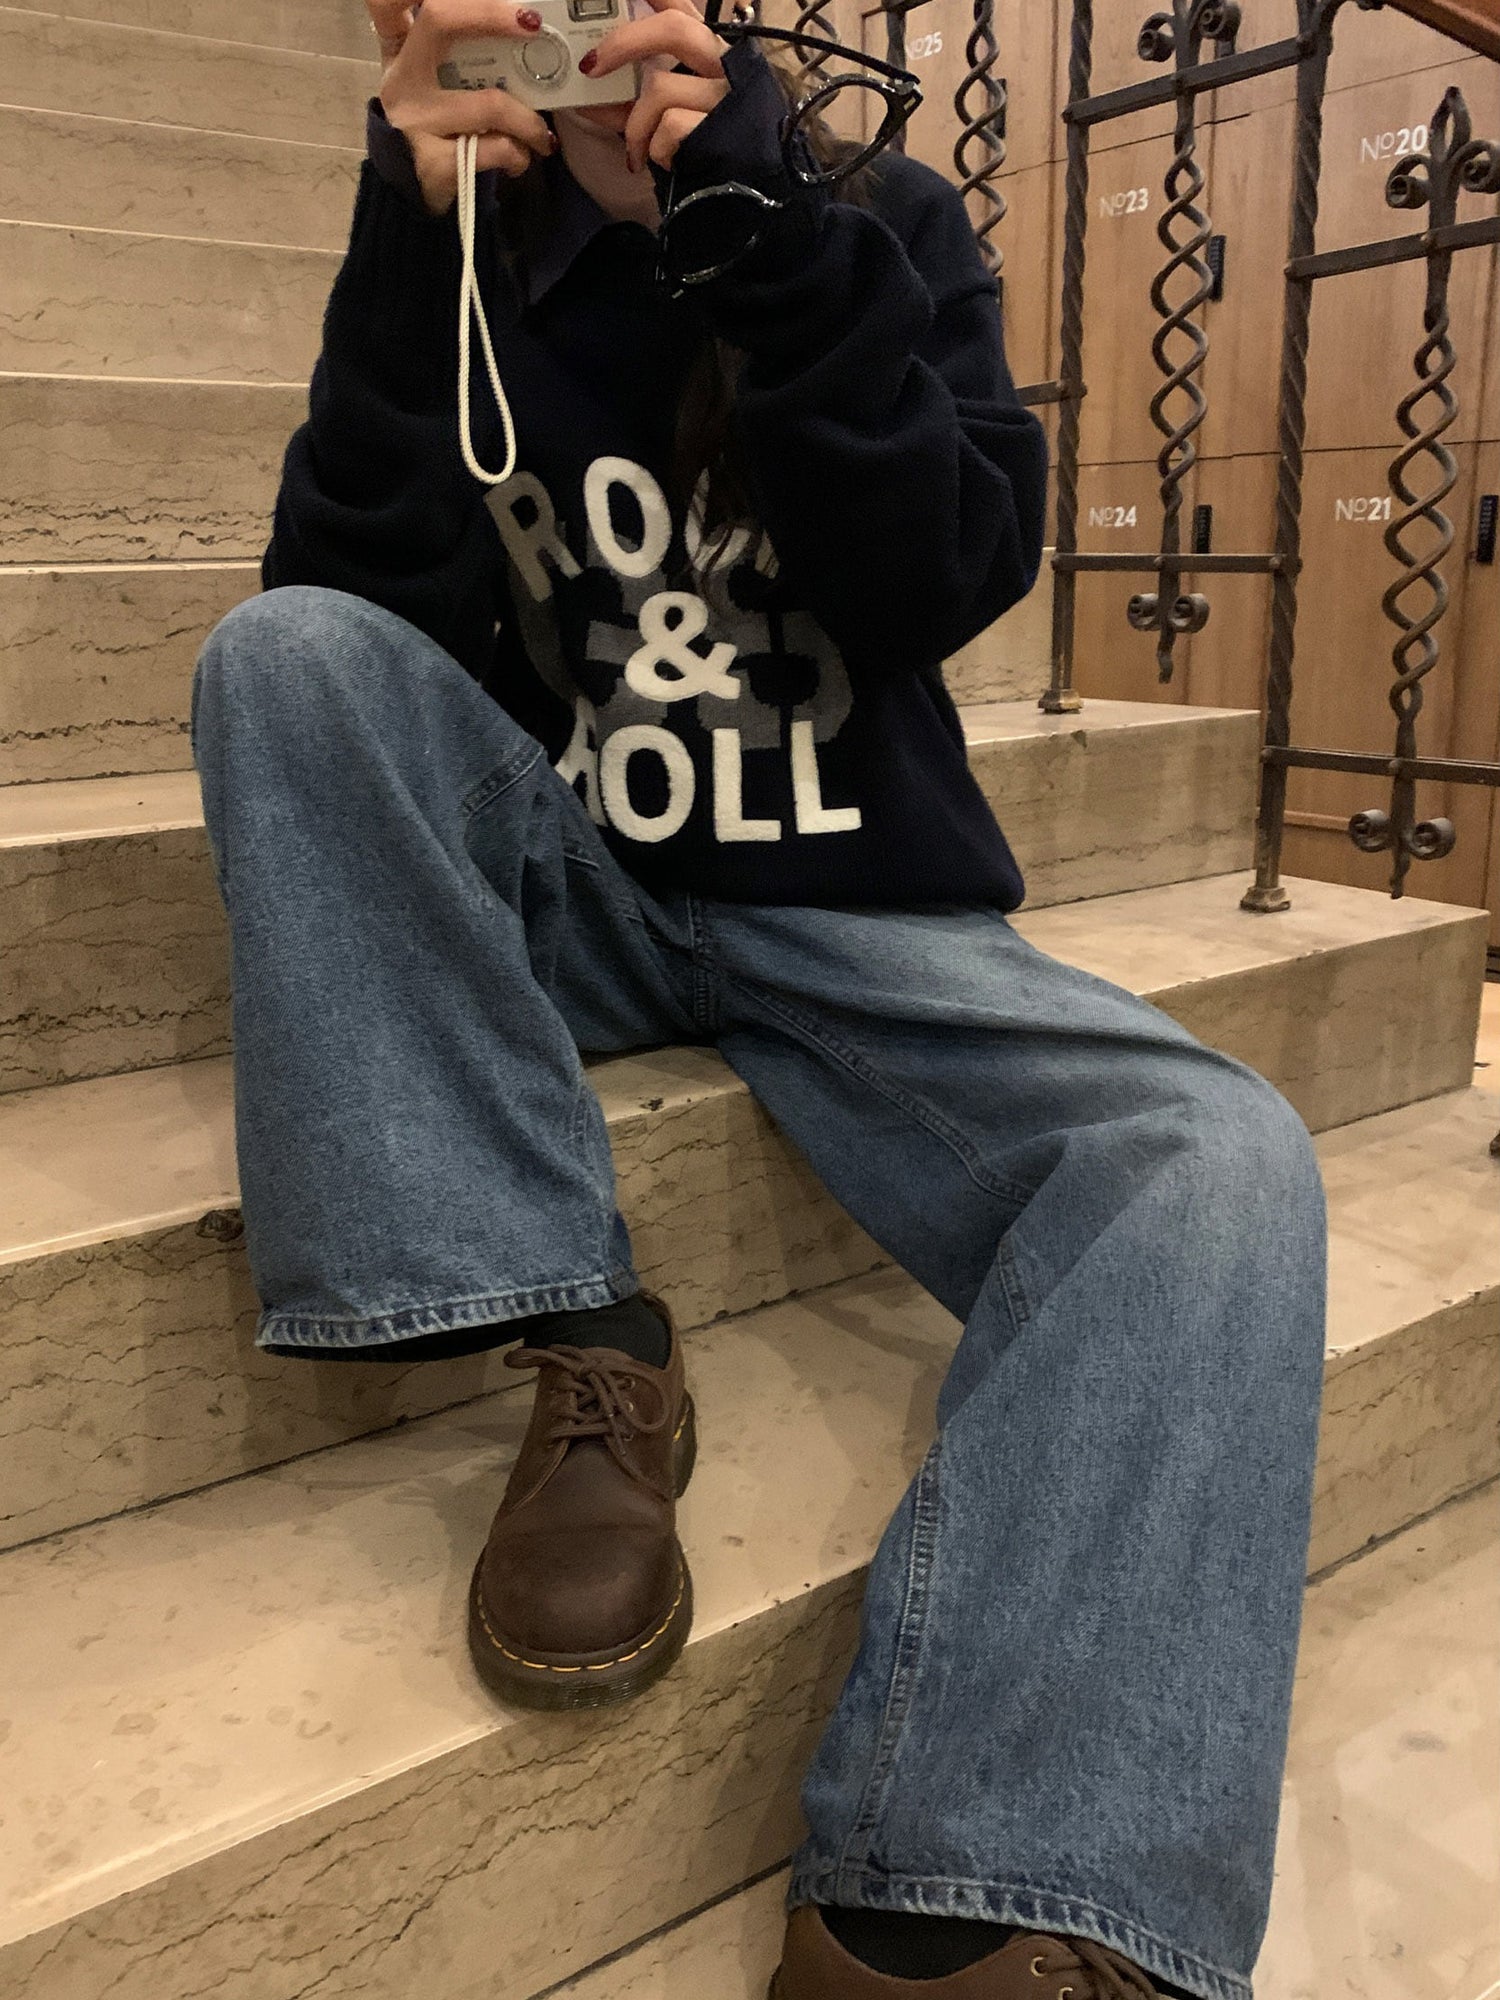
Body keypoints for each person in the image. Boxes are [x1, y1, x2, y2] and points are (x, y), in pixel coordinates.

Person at [190, 1, 1328, 1993]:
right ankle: (586, 1329)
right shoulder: (472, 249)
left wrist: (759, 229)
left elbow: (941, 572)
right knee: (276, 661)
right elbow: (355, 614)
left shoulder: (875, 210)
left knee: (1219, 1159)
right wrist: (405, 240)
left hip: (857, 911)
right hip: (570, 877)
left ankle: (966, 1884)